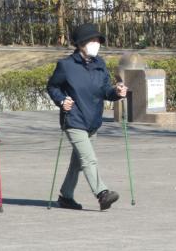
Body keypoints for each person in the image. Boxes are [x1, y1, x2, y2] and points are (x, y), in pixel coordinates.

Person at [47, 23, 127, 211]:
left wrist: (117, 92)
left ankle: (65, 197)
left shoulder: (100, 64)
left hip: (93, 121)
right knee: (89, 159)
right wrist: (61, 100)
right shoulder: (66, 65)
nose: (96, 44)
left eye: (98, 40)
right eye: (92, 40)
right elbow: (52, 87)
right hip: (74, 120)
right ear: (81, 44)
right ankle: (102, 193)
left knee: (78, 163)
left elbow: (106, 91)